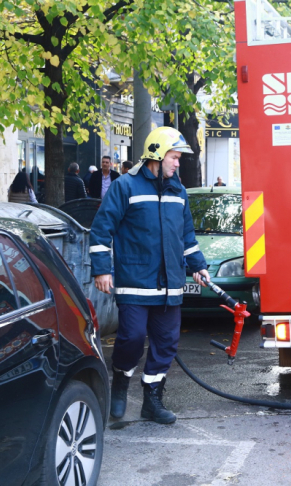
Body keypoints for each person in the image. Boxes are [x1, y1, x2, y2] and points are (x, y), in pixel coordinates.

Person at [90, 126, 211, 424]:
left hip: (171, 286)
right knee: (131, 338)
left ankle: (152, 400)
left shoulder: (178, 191)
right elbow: (101, 229)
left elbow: (186, 236)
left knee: (166, 343)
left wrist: (198, 265)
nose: (178, 162)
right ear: (156, 154)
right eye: (174, 156)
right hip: (135, 283)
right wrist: (102, 269)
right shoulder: (126, 187)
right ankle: (120, 380)